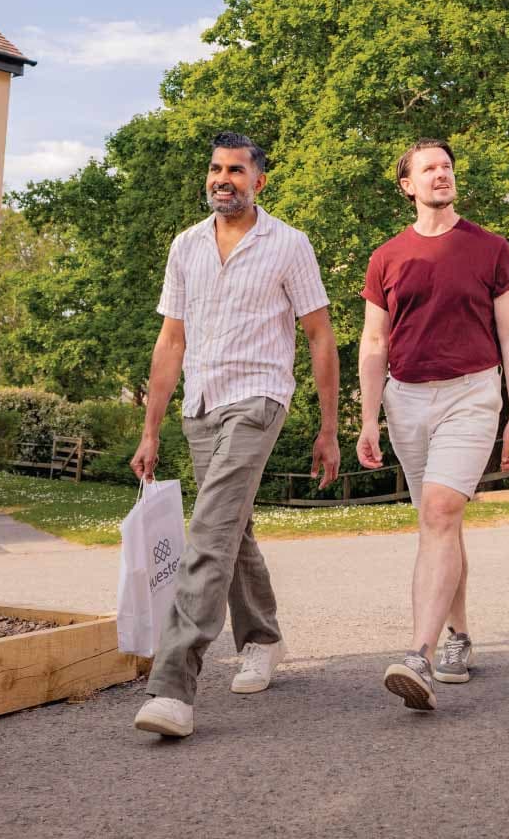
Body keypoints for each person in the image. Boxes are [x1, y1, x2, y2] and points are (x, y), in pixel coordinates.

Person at [130, 131, 341, 740]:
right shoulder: (185, 246)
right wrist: (151, 429)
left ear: (259, 181)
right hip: (200, 403)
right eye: (217, 169)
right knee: (233, 524)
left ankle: (173, 686)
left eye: (237, 171)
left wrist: (328, 428)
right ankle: (262, 638)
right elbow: (171, 341)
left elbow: (320, 335)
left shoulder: (289, 245)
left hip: (259, 398)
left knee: (210, 528)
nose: (224, 178)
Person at [356, 139, 509, 711]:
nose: (442, 175)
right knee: (440, 523)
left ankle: (419, 657)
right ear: (406, 184)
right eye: (429, 168)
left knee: (439, 512)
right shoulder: (386, 257)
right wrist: (368, 418)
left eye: (448, 167)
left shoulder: (491, 249)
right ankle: (458, 635)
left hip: (472, 392)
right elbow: (375, 341)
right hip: (405, 399)